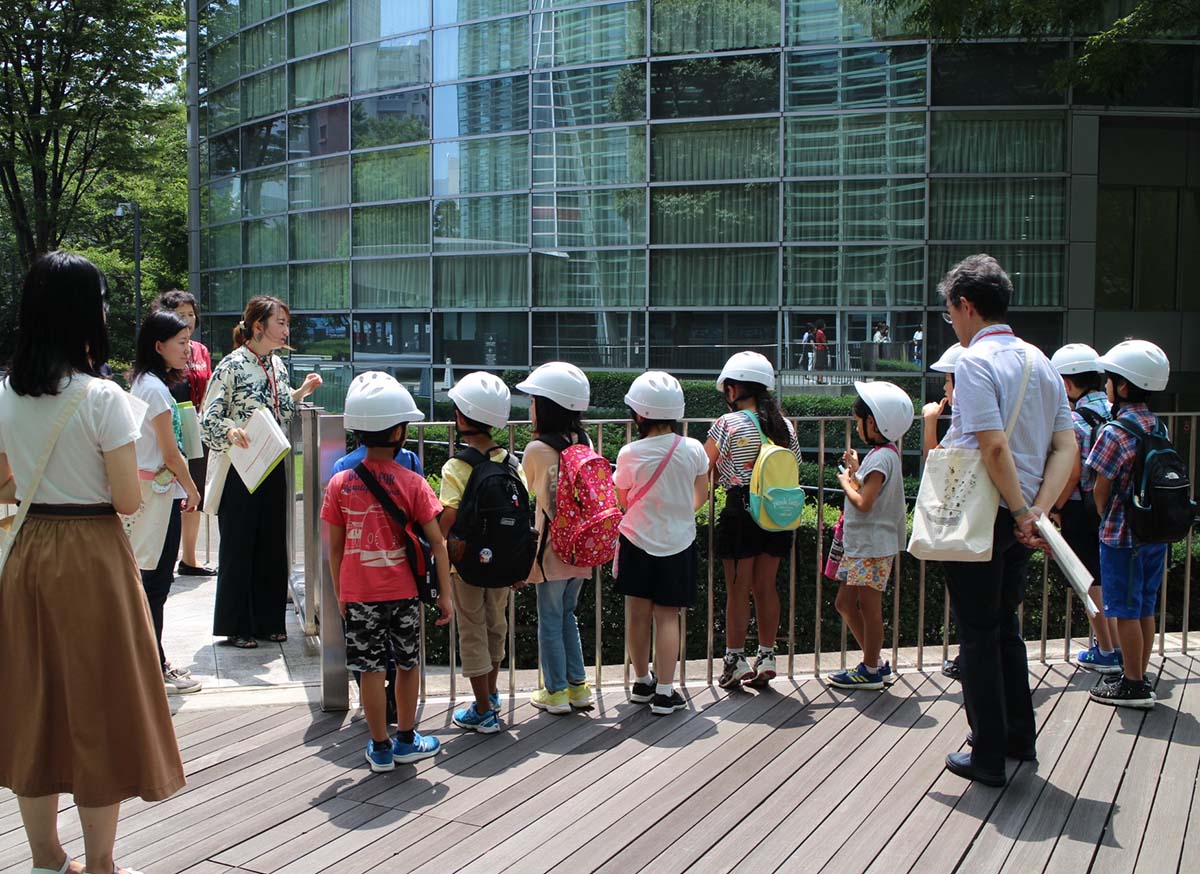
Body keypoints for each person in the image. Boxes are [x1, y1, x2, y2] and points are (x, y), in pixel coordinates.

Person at [0, 251, 185, 874]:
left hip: (28, 555)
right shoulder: (103, 398)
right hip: (93, 555)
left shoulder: (5, 392)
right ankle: (100, 861)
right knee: (99, 702)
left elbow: (4, 483)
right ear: (86, 314)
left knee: (35, 701)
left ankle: (45, 858)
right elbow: (127, 497)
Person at [937, 254, 1076, 788]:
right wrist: (1038, 510)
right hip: (1022, 517)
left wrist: (1019, 510)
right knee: (1006, 628)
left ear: (967, 306)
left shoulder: (973, 362)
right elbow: (1065, 444)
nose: (953, 322)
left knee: (975, 632)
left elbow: (992, 447)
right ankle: (1019, 736)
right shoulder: (1041, 361)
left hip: (983, 514)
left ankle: (987, 754)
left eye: (951, 313)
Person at [322, 372, 451, 771]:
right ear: (399, 431)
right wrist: (444, 594)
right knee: (408, 664)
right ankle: (407, 739)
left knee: (370, 669)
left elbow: (336, 547)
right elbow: (438, 543)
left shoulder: (340, 482)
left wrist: (341, 594)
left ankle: (379, 747)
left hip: (359, 594)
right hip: (404, 592)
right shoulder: (413, 482)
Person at [200, 296, 322, 648]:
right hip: (240, 466)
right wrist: (230, 431)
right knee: (240, 543)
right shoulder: (231, 365)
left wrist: (302, 392)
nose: (286, 329)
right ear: (258, 326)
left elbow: (282, 406)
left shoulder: (277, 365)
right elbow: (210, 415)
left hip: (273, 462)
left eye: (286, 323)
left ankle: (269, 621)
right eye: (280, 322)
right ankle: (237, 625)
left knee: (272, 542)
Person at [614, 372, 710, 714]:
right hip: (679, 541)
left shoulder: (629, 453)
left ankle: (642, 682)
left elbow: (623, 498)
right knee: (669, 617)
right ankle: (666, 692)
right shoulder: (694, 449)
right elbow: (702, 494)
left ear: (639, 415)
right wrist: (679, 513)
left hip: (637, 540)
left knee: (637, 615)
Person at [705, 351, 802, 690]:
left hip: (740, 512)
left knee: (737, 590)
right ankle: (767, 655)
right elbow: (794, 466)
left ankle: (734, 659)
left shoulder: (726, 424)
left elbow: (705, 470)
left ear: (733, 389)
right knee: (766, 587)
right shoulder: (785, 426)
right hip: (776, 512)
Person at [1086, 340, 1173, 710]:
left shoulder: (1115, 431)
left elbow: (1099, 488)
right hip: (1155, 532)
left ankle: (1134, 684)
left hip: (1123, 536)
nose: (1106, 385)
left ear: (1123, 386)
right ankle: (1140, 673)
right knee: (1145, 607)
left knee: (1123, 611)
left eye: (1110, 379)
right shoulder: (1159, 426)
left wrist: (1107, 518)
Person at [441, 371, 521, 733]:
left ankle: (483, 710)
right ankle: (491, 693)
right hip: (503, 563)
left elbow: (449, 518)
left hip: (467, 567)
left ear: (462, 417)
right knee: (496, 626)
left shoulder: (456, 466)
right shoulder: (510, 461)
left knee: (472, 630)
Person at [129, 309, 204, 695]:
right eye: (180, 342)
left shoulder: (144, 384)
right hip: (157, 494)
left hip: (152, 493)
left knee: (150, 582)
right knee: (155, 584)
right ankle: (154, 665)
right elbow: (171, 453)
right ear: (158, 346)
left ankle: (149, 661)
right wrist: (192, 489)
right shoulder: (154, 390)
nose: (187, 348)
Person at [518, 362, 596, 714]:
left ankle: (556, 690)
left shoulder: (536, 450)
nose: (529, 407)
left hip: (550, 547)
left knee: (549, 617)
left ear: (546, 405)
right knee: (568, 614)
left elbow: (528, 490)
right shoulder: (585, 441)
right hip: (581, 546)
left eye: (533, 400)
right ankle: (578, 687)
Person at [828, 381, 912, 691]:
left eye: (859, 421)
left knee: (868, 607)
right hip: (866, 546)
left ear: (873, 423)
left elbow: (863, 502)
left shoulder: (881, 458)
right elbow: (869, 489)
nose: (858, 426)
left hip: (870, 547)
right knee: (845, 603)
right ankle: (873, 661)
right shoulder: (884, 455)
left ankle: (871, 667)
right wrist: (856, 470)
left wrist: (844, 482)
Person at [1048, 344, 1119, 674]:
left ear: (1066, 384)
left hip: (1081, 508)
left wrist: (1054, 507)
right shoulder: (1112, 411)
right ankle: (1115, 645)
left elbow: (1072, 472)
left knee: (1088, 581)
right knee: (1108, 577)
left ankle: (1106, 649)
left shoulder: (1074, 420)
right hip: (1111, 507)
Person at [154, 290, 216, 576]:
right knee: (168, 488)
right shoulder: (164, 351)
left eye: (191, 314)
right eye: (181, 314)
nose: (188, 320)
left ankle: (190, 559)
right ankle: (160, 555)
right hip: (169, 423)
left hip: (197, 425)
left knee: (196, 492)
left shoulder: (201, 350)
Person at [922, 342, 965, 682]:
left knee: (970, 599)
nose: (944, 388)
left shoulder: (965, 425)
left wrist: (929, 423)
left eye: (948, 381)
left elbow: (936, 465)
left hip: (967, 521)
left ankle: (970, 658)